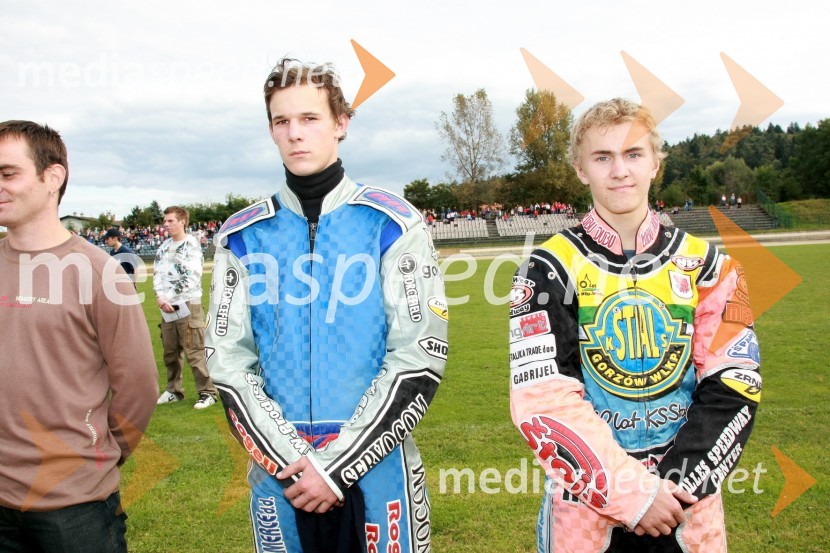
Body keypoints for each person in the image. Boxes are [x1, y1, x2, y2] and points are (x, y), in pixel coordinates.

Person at [206, 58, 448, 552]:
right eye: (282, 121)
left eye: (310, 119)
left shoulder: (394, 223)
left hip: (377, 471)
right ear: (271, 130)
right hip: (281, 473)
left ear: (341, 125)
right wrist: (290, 460)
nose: (295, 134)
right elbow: (226, 360)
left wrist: (335, 466)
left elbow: (419, 356)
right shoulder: (241, 235)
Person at [509, 99, 761, 552]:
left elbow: (733, 384)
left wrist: (675, 487)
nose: (619, 170)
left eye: (633, 154)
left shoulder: (708, 266)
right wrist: (634, 493)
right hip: (586, 516)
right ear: (581, 169)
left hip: (689, 511)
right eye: (602, 157)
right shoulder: (548, 267)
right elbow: (544, 401)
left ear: (655, 163)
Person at [0, 120, 158, 551]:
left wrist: (98, 455)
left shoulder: (99, 271)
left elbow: (138, 386)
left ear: (53, 177)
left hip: (76, 507)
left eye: (7, 173)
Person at [153, 206, 217, 409]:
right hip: (167, 307)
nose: (166, 225)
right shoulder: (163, 247)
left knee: (194, 351)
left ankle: (207, 392)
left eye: (170, 221)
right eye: (165, 221)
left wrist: (169, 297)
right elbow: (157, 273)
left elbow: (192, 276)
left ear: (182, 221)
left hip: (188, 304)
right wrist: (160, 296)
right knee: (170, 352)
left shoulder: (191, 245)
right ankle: (173, 390)